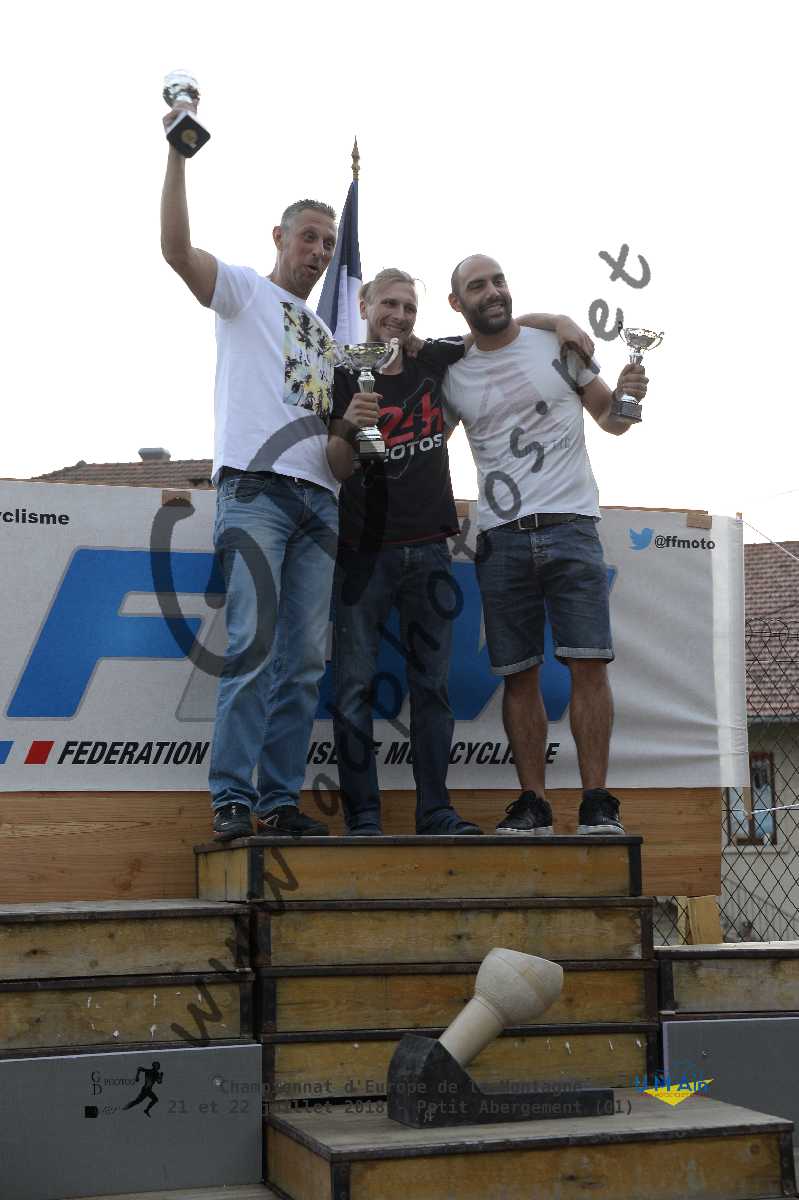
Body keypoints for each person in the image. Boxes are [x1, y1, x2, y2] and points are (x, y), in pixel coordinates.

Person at [160, 102, 377, 841]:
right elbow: (176, 250)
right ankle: (231, 798)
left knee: (305, 664)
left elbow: (337, 458)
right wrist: (178, 154)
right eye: (308, 236)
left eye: (328, 243)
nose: (319, 250)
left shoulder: (329, 338)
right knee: (252, 648)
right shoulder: (245, 289)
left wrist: (354, 429)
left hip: (321, 502)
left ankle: (279, 802)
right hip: (255, 493)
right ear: (279, 238)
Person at [331, 268, 594, 835]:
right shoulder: (342, 372)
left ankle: (435, 811)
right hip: (361, 553)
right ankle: (363, 818)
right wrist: (349, 427)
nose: (398, 315)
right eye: (388, 304)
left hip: (429, 548)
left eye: (408, 307)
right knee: (352, 689)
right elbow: (335, 466)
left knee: (432, 688)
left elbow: (495, 326)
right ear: (364, 305)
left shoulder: (435, 361)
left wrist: (559, 320)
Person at [444, 255, 648, 836]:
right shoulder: (452, 370)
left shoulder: (558, 345)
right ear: (457, 303)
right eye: (478, 286)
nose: (493, 292)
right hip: (499, 538)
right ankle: (533, 802)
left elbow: (610, 418)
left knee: (589, 666)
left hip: (572, 526)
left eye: (499, 281)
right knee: (519, 676)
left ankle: (597, 802)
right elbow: (428, 437)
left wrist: (628, 395)